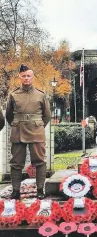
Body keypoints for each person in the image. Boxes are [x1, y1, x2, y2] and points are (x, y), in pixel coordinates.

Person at [6, 65, 51, 200]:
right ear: (20, 77)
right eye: (23, 76)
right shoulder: (13, 94)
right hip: (18, 131)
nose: (26, 78)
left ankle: (40, 189)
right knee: (16, 162)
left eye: (28, 76)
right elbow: (9, 115)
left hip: (36, 131)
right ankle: (15, 190)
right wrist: (16, 124)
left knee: (39, 161)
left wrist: (38, 126)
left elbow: (47, 115)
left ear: (32, 77)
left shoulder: (41, 95)